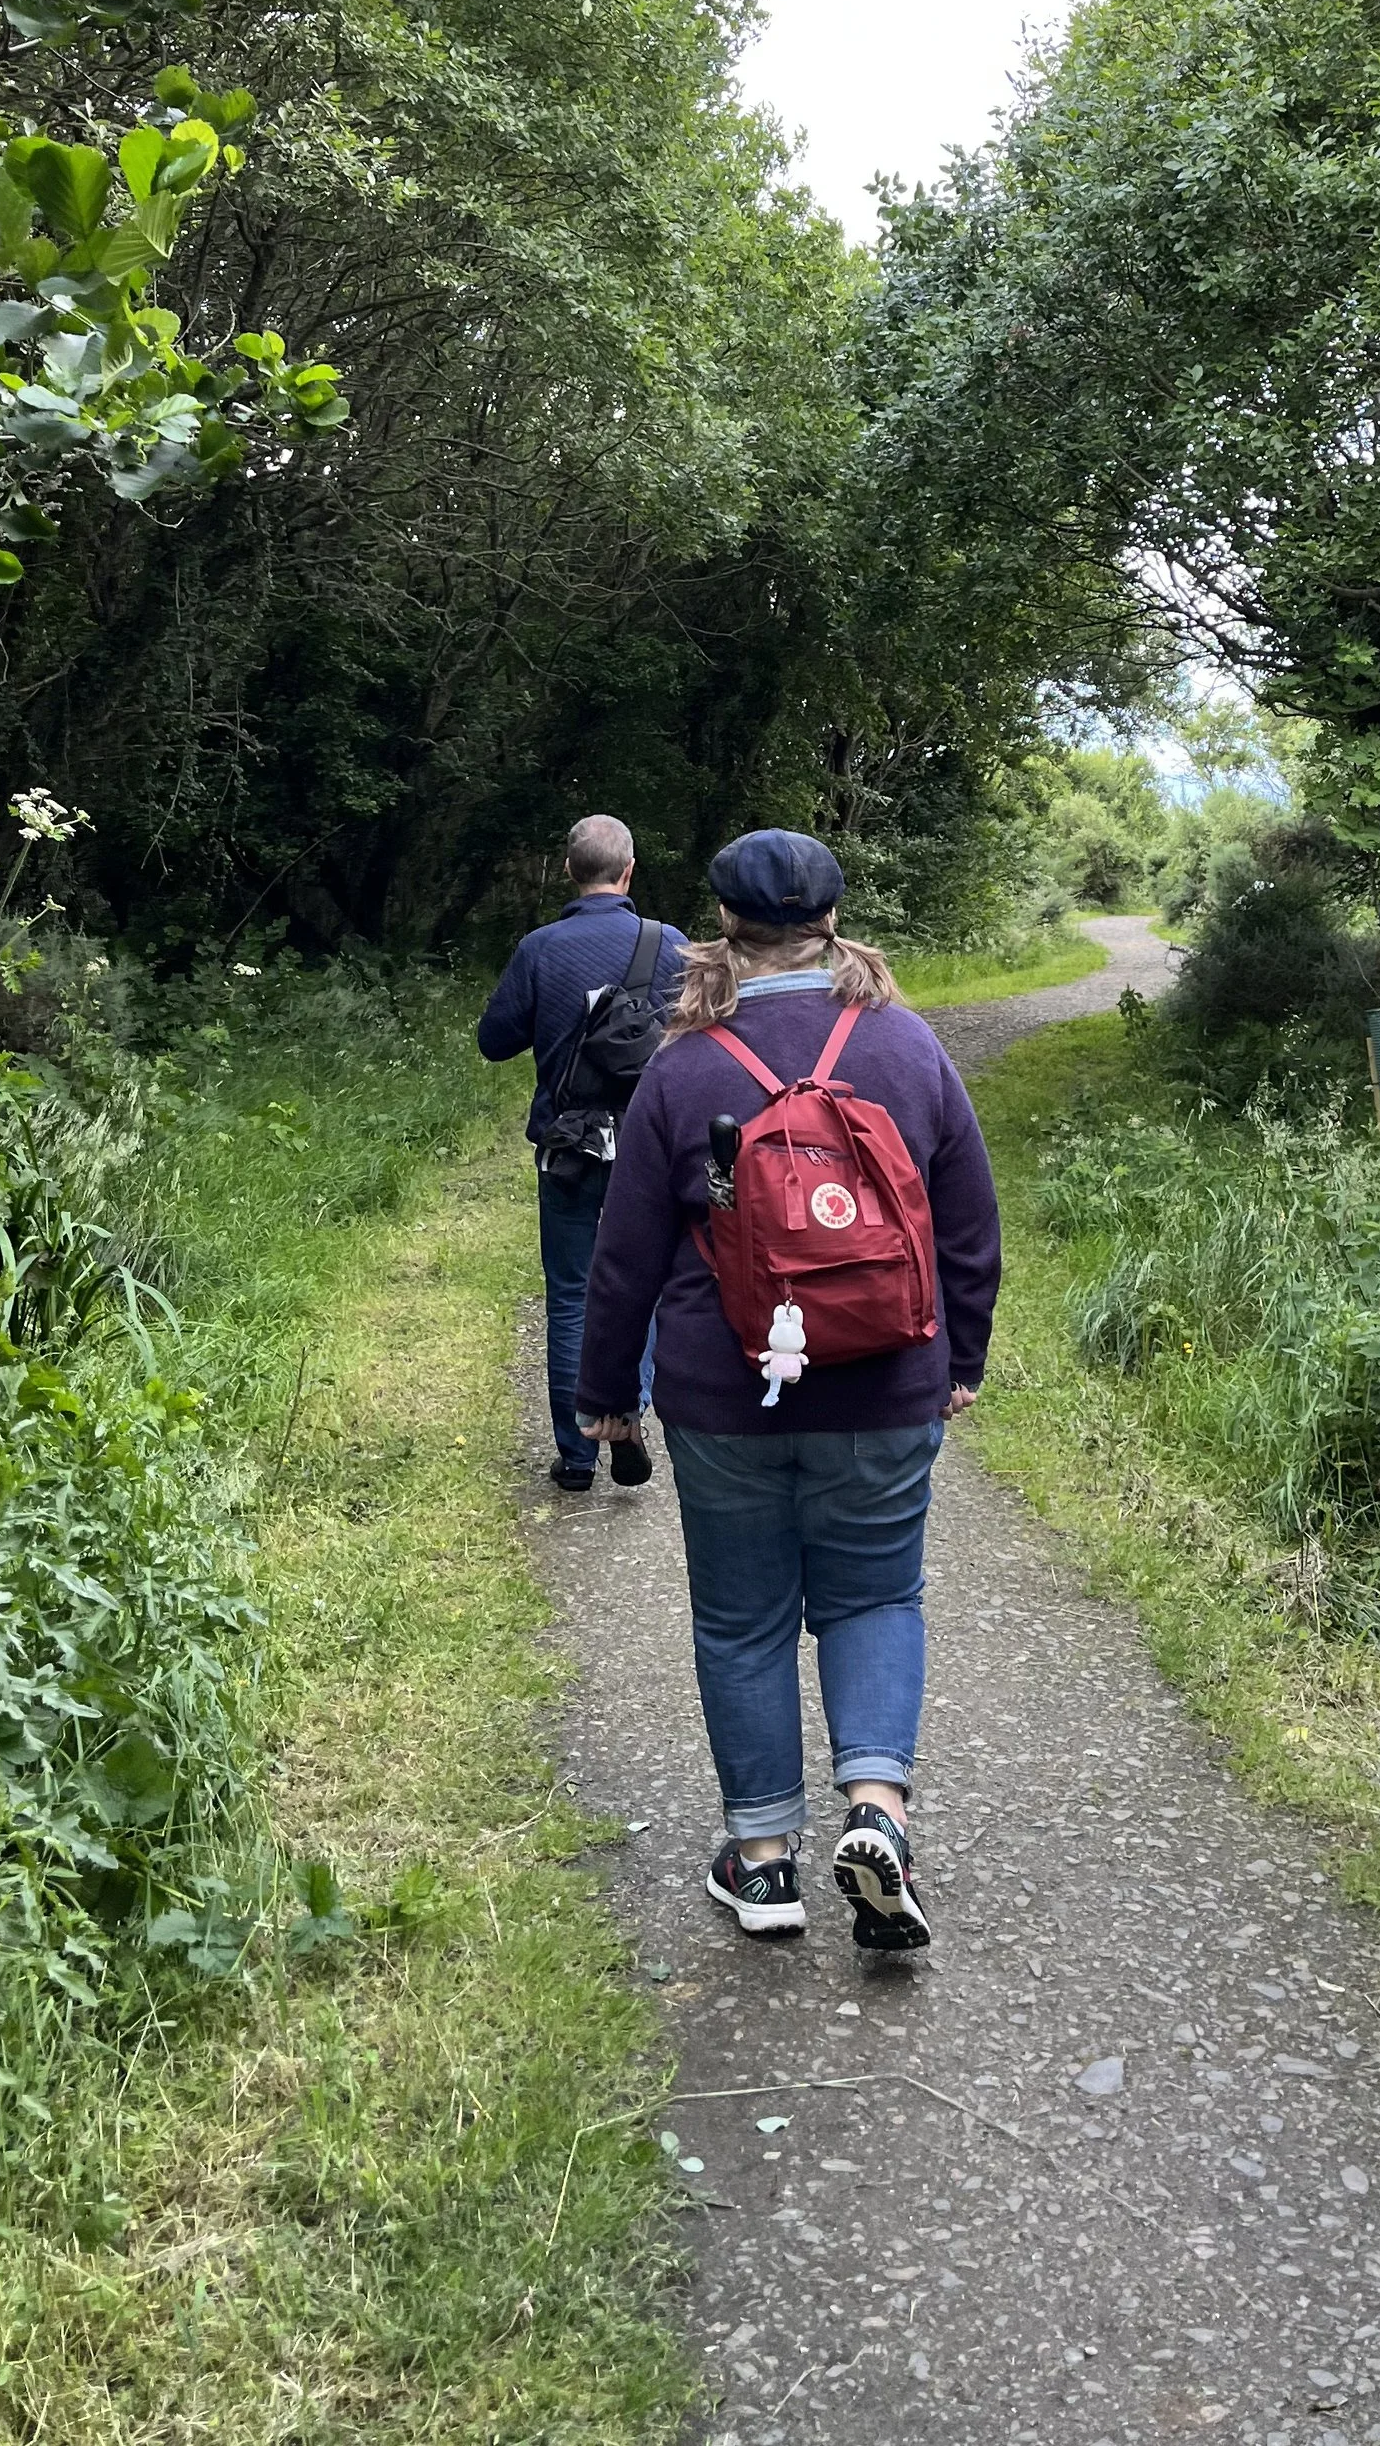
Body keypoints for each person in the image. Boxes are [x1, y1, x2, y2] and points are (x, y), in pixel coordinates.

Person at [575, 827, 1001, 1951]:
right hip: (886, 1382)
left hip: (726, 1396)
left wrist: (606, 1394)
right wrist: (961, 1362)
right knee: (873, 1596)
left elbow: (622, 1256)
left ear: (721, 925)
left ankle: (764, 1866)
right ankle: (877, 1814)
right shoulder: (907, 1048)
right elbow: (966, 1227)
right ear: (833, 917)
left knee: (742, 1619)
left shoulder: (685, 1066)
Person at [478, 813, 686, 1494]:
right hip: (651, 1149)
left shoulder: (541, 949)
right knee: (647, 1286)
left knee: (570, 1295)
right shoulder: (673, 946)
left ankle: (575, 1455)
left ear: (570, 870)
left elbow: (494, 1040)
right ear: (629, 872)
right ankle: (625, 1413)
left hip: (568, 1148)